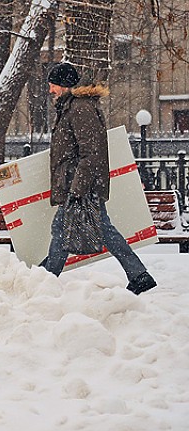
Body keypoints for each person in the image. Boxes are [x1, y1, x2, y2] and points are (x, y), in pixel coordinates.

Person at [41, 62, 156, 295]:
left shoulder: (80, 108)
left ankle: (45, 279)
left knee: (63, 228)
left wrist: (77, 189)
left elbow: (91, 152)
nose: (50, 89)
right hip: (79, 183)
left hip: (82, 184)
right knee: (96, 229)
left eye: (53, 84)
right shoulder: (71, 107)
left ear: (64, 85)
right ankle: (138, 275)